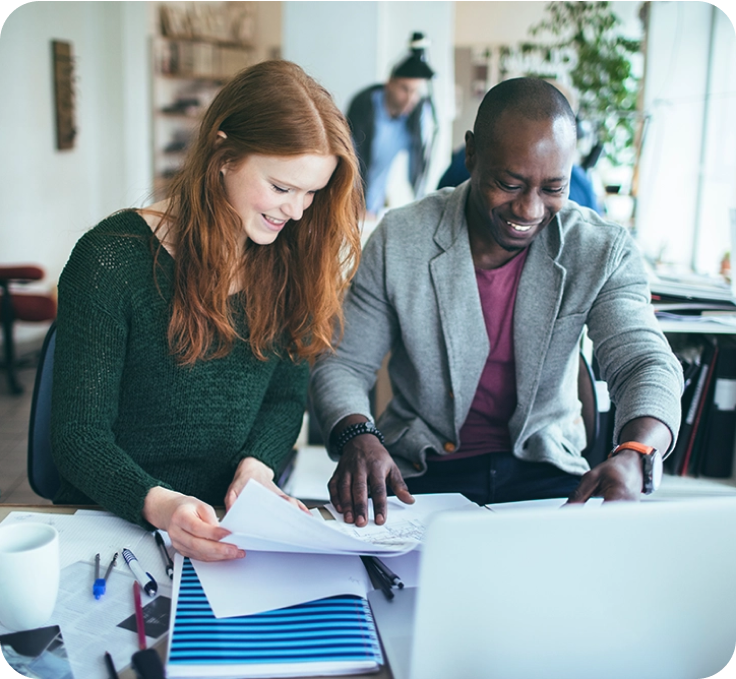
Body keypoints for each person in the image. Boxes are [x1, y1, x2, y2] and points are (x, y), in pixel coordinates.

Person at [310, 77, 683, 527]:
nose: (528, 210)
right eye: (509, 183)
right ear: (471, 154)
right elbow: (343, 363)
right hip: (420, 477)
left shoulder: (600, 249)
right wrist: (358, 434)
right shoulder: (401, 237)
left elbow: (645, 362)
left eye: (552, 189)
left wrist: (636, 452)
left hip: (547, 475)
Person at [51, 60, 363, 560]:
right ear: (224, 154)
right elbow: (77, 438)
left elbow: (285, 398)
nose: (297, 211)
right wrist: (160, 504)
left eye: (312, 192)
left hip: (228, 525)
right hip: (115, 526)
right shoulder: (111, 258)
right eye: (282, 187)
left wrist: (258, 465)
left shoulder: (293, 254)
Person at [346, 31, 437, 219]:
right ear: (390, 83)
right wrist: (355, 205)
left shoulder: (416, 118)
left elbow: (419, 165)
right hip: (353, 205)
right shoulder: (364, 107)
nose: (410, 99)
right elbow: (350, 158)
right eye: (405, 89)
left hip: (380, 208)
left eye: (416, 92)